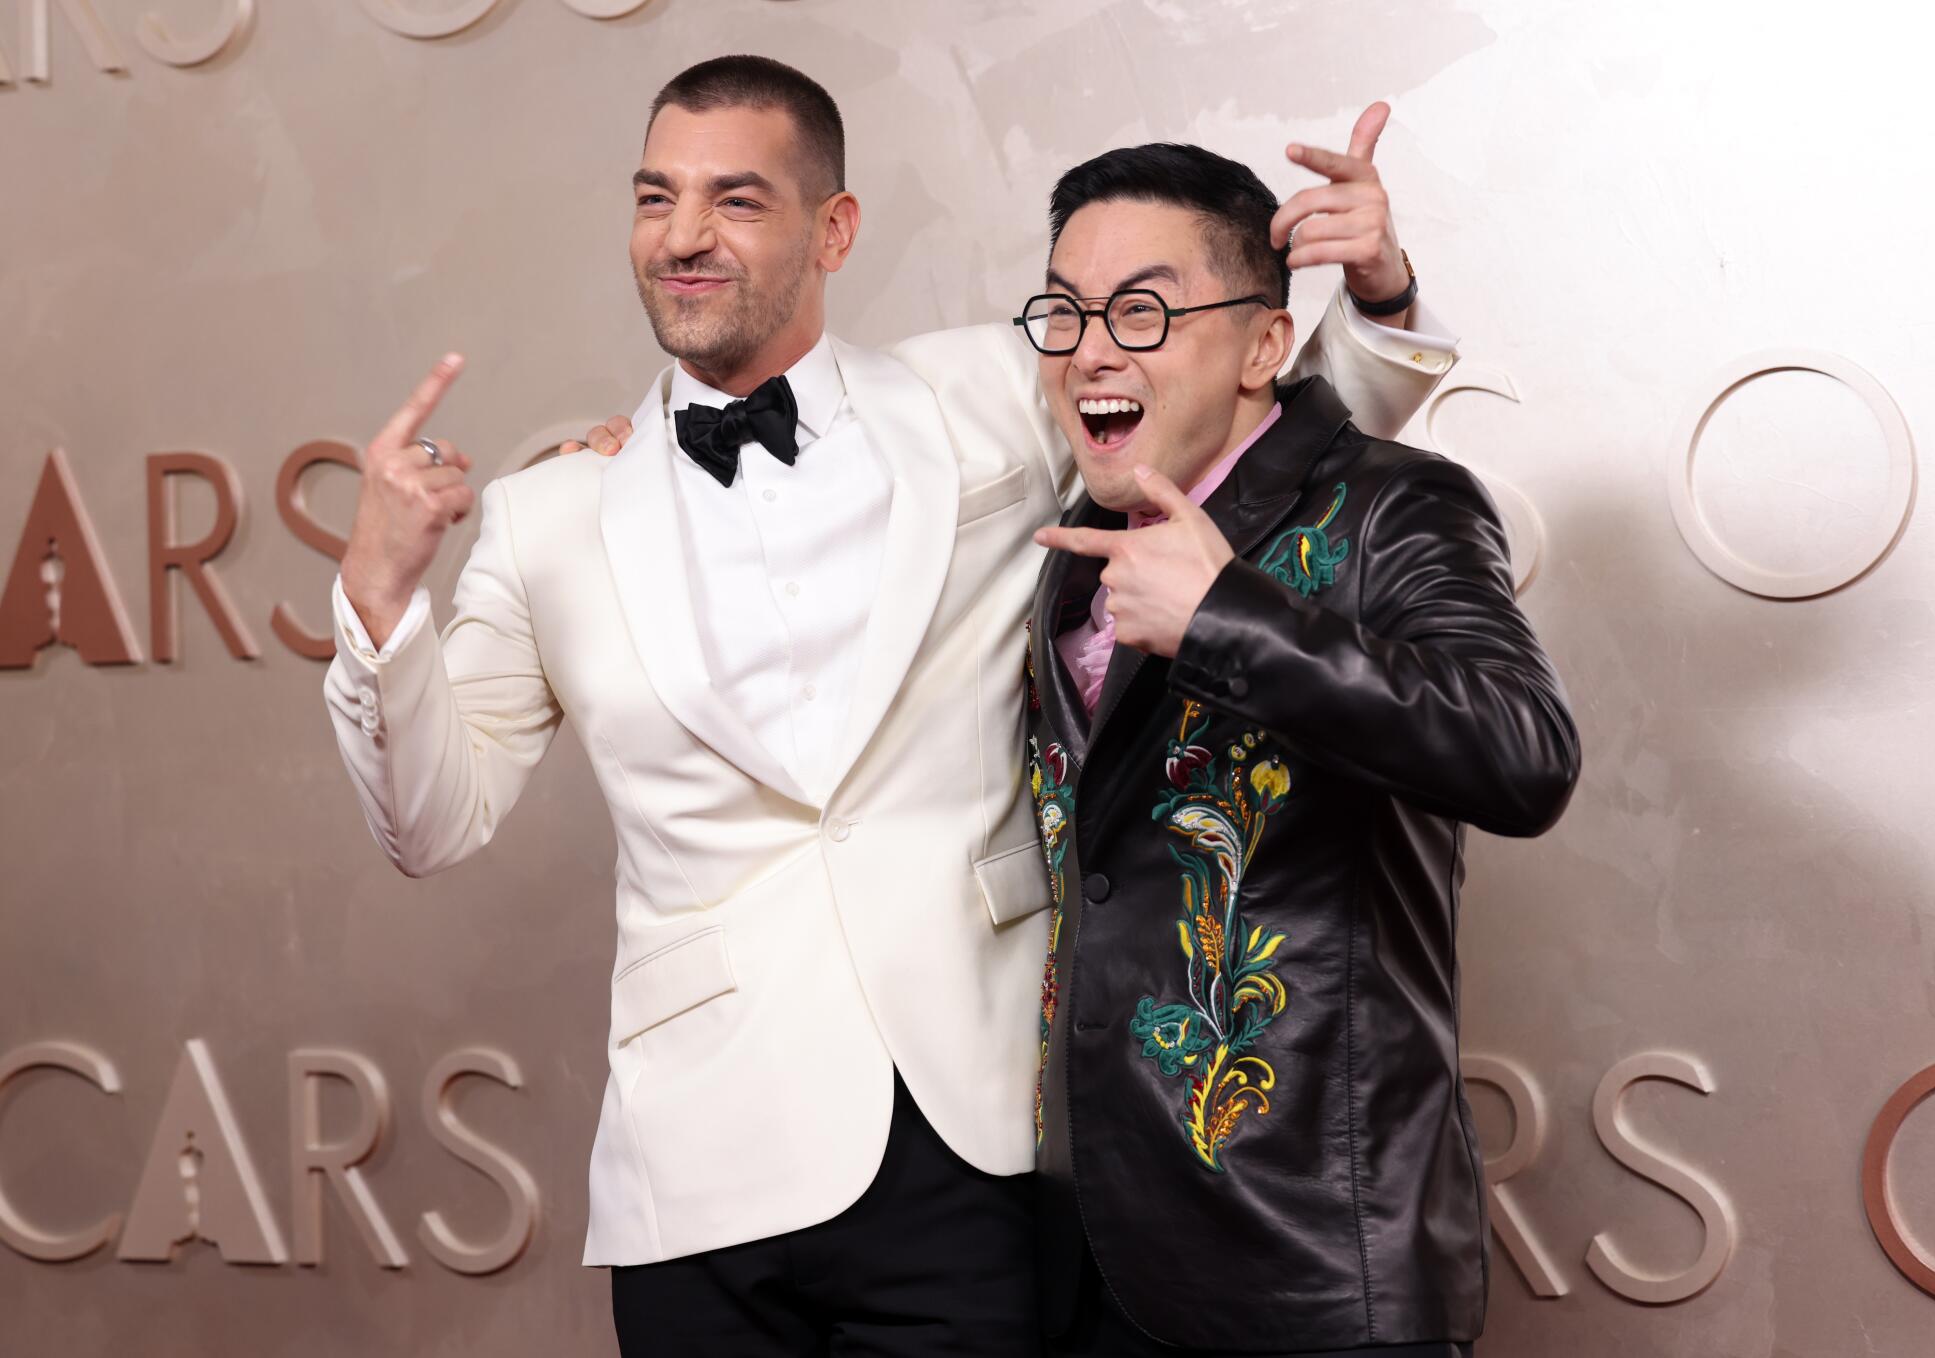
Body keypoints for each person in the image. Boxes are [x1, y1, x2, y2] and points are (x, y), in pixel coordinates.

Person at [324, 56, 1452, 1357]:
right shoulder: (549, 516)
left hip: (976, 1138)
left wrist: (1380, 297)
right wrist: (382, 602)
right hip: (696, 1173)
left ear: (834, 230)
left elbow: (1253, 463)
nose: (683, 236)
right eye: (656, 198)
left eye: (737, 200)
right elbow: (429, 822)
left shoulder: (984, 391)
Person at [1022, 144, 1580, 1356]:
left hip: (1310, 1260)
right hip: (1080, 1250)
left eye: (1142, 309)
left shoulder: (1393, 504)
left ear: (1265, 347)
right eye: (1062, 311)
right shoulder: (1070, 525)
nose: (1089, 348)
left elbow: (1524, 750)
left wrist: (1225, 618)